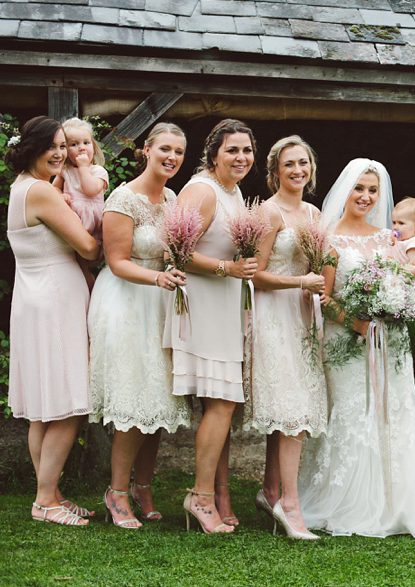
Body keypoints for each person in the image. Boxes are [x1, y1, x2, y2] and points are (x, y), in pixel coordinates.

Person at [297, 158, 415, 538]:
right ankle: (349, 499)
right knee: (353, 412)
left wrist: (402, 304)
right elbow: (323, 296)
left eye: (372, 190)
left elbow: (414, 279)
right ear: (345, 190)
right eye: (359, 188)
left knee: (394, 412)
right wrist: (357, 324)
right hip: (347, 342)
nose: (366, 197)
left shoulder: (390, 238)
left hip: (393, 344)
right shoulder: (328, 239)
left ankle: (400, 502)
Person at [88, 123, 193, 529]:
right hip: (128, 302)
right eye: (165, 149)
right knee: (136, 400)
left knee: (160, 400)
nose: (172, 158)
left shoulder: (171, 197)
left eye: (179, 152)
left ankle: (142, 487)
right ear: (146, 150)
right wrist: (158, 278)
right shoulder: (122, 198)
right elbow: (117, 261)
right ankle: (115, 493)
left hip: (163, 303)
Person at [164, 119, 259, 534]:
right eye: (233, 150)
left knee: (223, 404)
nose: (241, 158)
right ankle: (200, 498)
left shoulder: (233, 192)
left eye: (247, 151)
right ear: (214, 153)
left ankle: (218, 495)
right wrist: (229, 268)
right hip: (201, 306)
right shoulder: (202, 191)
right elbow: (176, 252)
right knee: (220, 403)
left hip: (225, 306)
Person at [6, 116, 100, 525]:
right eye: (54, 146)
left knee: (44, 408)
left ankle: (53, 493)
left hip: (32, 296)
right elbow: (89, 247)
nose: (62, 153)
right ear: (33, 148)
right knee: (67, 405)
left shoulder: (20, 188)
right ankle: (44, 502)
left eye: (65, 146)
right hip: (55, 297)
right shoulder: (43, 192)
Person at [245, 135, 328, 540]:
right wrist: (300, 281)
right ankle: (290, 507)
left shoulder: (313, 213)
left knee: (291, 407)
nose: (298, 170)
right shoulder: (269, 213)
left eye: (304, 163)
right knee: (291, 410)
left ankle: (270, 490)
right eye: (290, 164)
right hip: (274, 316)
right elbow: (254, 274)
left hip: (302, 317)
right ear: (275, 170)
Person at [57, 118, 109, 288]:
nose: (81, 147)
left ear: (93, 147)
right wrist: (60, 195)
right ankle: (80, 287)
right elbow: (53, 190)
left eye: (86, 142)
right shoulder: (64, 171)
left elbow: (91, 190)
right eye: (74, 144)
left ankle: (93, 288)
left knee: (90, 262)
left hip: (93, 223)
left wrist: (84, 168)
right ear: (64, 150)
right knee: (74, 264)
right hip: (74, 221)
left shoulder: (97, 171)